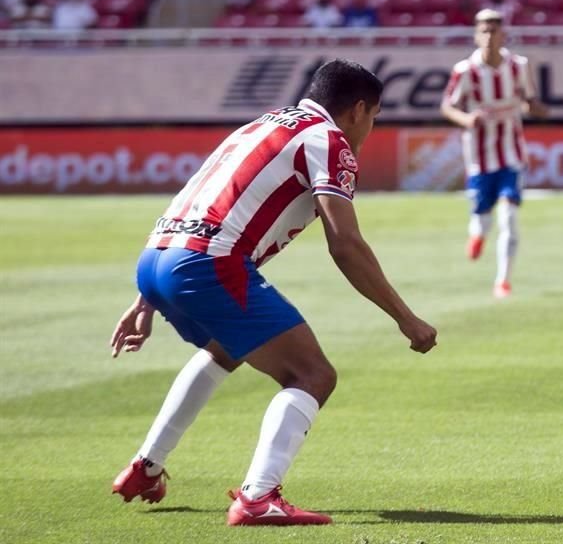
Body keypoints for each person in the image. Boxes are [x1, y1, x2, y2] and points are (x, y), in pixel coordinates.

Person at [110, 59, 438, 526]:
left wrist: (145, 297)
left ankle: (146, 467)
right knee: (313, 375)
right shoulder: (329, 140)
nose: (370, 128)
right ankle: (257, 497)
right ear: (358, 109)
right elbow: (345, 244)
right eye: (375, 117)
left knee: (225, 350)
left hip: (158, 257)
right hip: (207, 263)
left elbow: (201, 199)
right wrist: (405, 317)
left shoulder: (260, 125)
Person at [440, 9, 548, 298]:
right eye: (484, 30)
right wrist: (466, 120)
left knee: (509, 217)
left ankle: (503, 280)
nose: (488, 36)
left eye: (494, 30)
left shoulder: (519, 66)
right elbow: (448, 106)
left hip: (512, 153)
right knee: (483, 217)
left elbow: (530, 100)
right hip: (479, 156)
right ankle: (477, 234)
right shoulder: (465, 70)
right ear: (476, 35)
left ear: (502, 35)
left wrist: (536, 109)